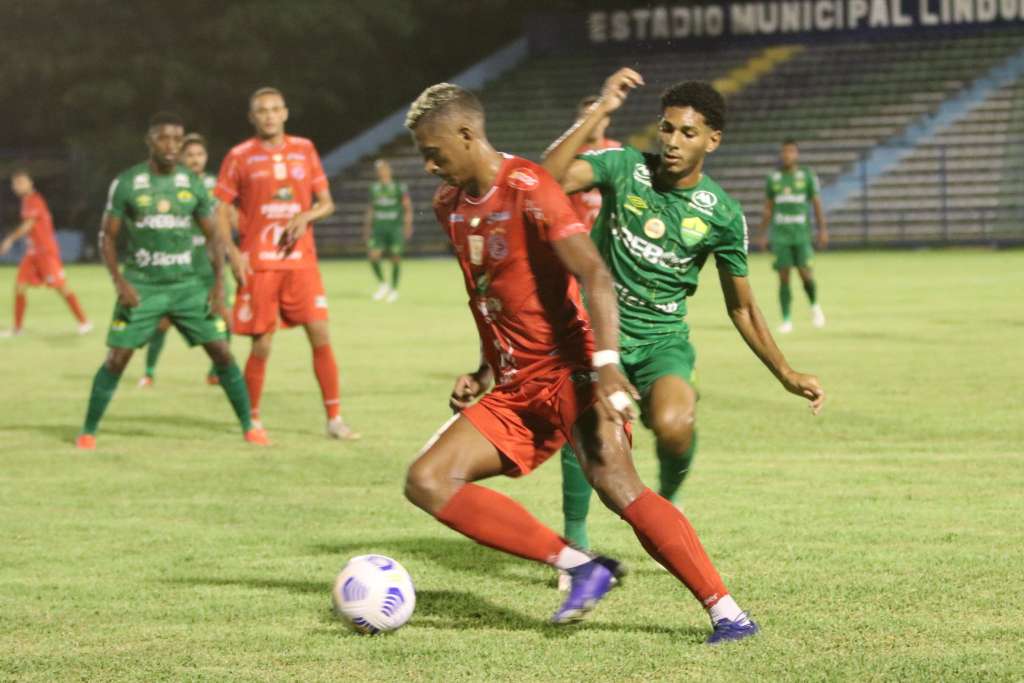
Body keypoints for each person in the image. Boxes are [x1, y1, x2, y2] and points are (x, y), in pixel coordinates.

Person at [402, 81, 760, 644]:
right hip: (517, 384)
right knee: (427, 479)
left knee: (619, 488)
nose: (428, 166)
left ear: (467, 134)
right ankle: (579, 566)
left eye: (433, 151)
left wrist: (607, 362)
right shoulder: (450, 205)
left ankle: (728, 613)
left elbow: (594, 273)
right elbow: (491, 296)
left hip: (571, 372)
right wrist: (483, 368)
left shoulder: (529, 188)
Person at [543, 69, 826, 581]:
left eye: (688, 133)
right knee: (587, 428)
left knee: (674, 425)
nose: (673, 142)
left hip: (662, 341)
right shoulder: (624, 167)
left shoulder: (721, 214)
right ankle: (576, 545)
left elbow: (740, 306)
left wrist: (785, 373)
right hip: (597, 333)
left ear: (712, 141)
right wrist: (598, 113)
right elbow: (549, 179)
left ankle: (665, 505)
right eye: (667, 129)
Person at [75, 112, 267, 450]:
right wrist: (119, 282)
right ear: (149, 141)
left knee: (222, 353)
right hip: (143, 287)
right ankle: (88, 431)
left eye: (178, 139)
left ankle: (249, 426)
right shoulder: (128, 183)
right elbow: (107, 237)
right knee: (116, 359)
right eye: (164, 138)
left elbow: (214, 237)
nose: (172, 146)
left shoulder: (191, 184)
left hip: (189, 286)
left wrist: (218, 288)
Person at [215, 87, 358, 440]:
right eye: (261, 110)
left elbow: (327, 203)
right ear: (252, 117)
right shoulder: (239, 156)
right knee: (262, 342)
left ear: (285, 113)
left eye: (275, 109)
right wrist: (232, 252)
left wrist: (307, 215)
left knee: (320, 334)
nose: (269, 115)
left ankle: (334, 419)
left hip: (301, 262)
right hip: (259, 263)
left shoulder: (304, 149)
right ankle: (252, 421)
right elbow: (220, 210)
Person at [555, 95, 621, 587]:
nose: (595, 123)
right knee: (576, 414)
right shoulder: (567, 166)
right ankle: (575, 542)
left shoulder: (621, 160)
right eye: (586, 115)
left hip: (629, 302)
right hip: (578, 296)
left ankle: (670, 505)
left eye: (600, 115)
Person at [138, 133, 235, 387]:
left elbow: (230, 215)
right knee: (163, 321)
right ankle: (148, 372)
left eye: (199, 154)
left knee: (225, 317)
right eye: (190, 155)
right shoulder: (169, 184)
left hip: (211, 263)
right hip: (179, 262)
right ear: (181, 157)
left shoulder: (217, 185)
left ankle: (216, 371)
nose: (195, 159)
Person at [0, 169, 91, 337]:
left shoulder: (35, 200)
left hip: (46, 252)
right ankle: (17, 329)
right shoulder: (26, 201)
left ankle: (84, 322)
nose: (19, 186)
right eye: (16, 183)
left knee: (61, 288)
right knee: (20, 286)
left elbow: (29, 225)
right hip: (32, 253)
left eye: (22, 182)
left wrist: (9, 239)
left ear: (30, 183)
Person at [756, 139, 829, 333]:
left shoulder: (806, 176)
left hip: (801, 235)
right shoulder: (774, 178)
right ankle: (786, 319)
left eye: (791, 152)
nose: (787, 155)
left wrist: (822, 230)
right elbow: (768, 208)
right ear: (781, 154)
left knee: (806, 274)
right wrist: (762, 234)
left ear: (796, 154)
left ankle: (815, 307)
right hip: (780, 236)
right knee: (784, 277)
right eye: (784, 152)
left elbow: (817, 204)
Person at [363, 159, 412, 302]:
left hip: (395, 228)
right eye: (379, 170)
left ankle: (394, 289)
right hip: (378, 228)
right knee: (373, 255)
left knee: (395, 258)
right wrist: (367, 227)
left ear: (389, 170)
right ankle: (383, 284)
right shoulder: (374, 188)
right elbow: (371, 208)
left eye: (384, 169)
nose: (382, 172)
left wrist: (408, 225)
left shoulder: (399, 187)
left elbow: (407, 207)